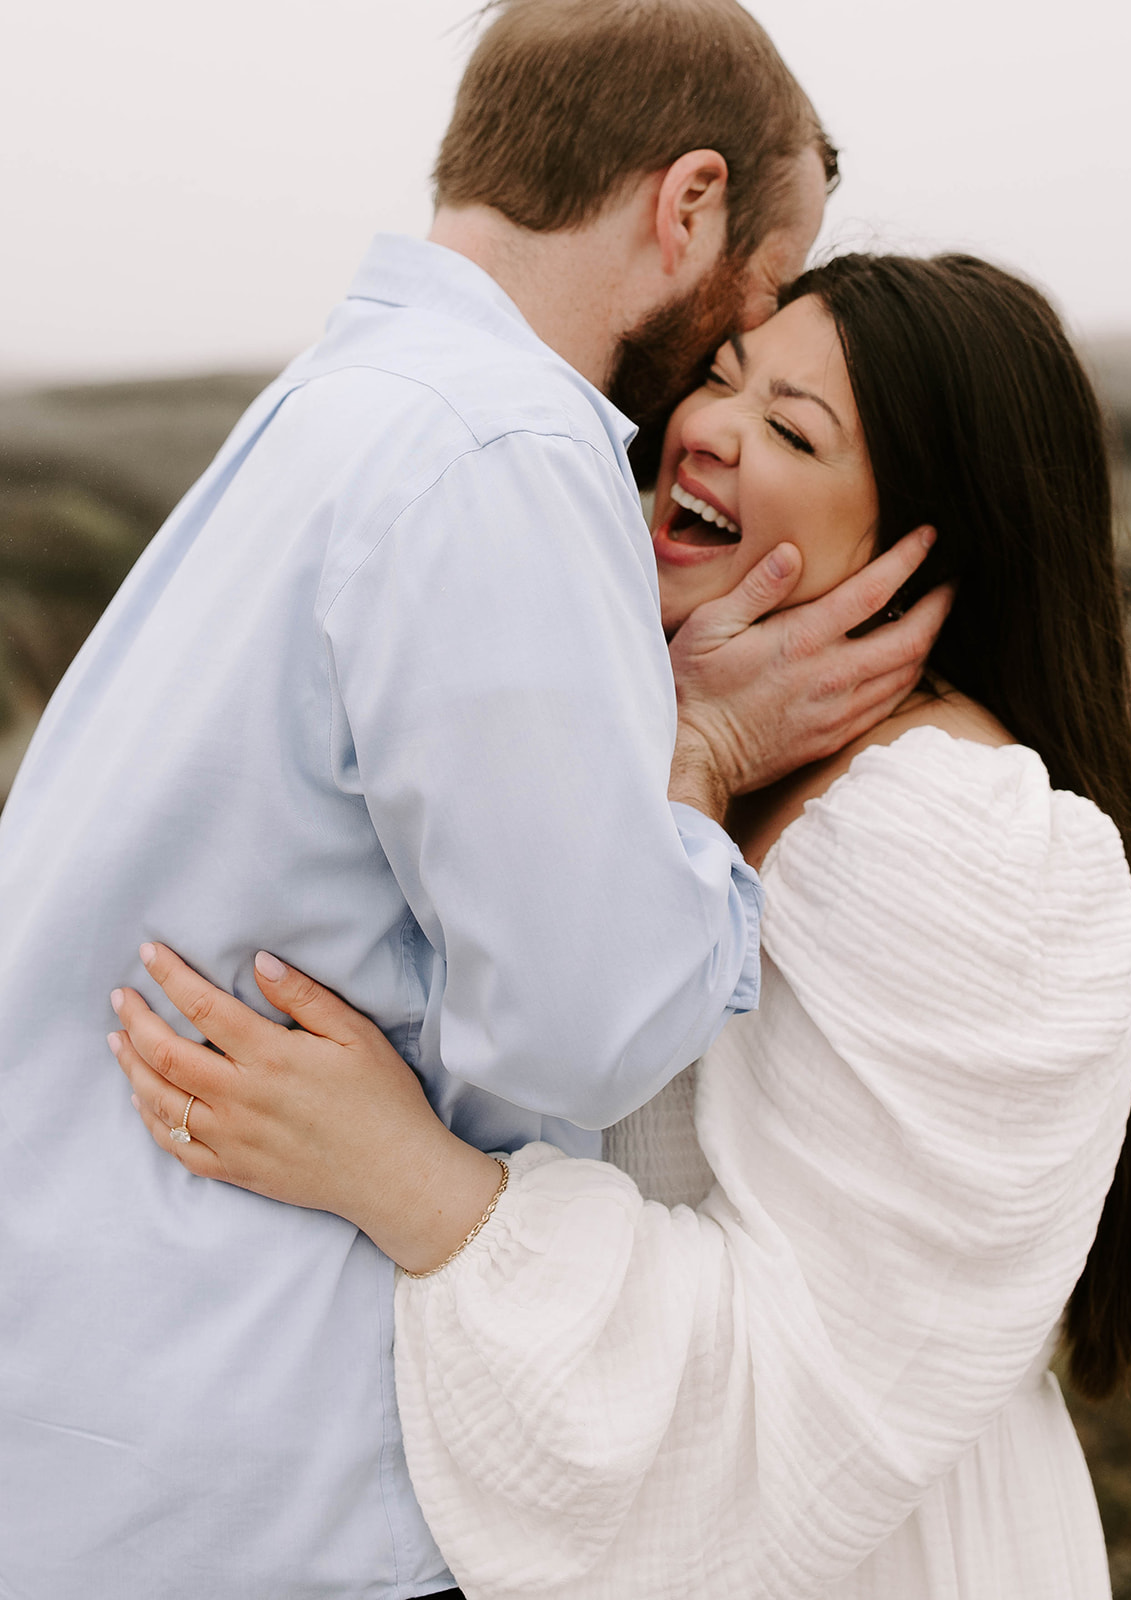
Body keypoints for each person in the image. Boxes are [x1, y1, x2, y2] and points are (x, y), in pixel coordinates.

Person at [0, 5, 946, 1597]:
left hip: (100, 1433)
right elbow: (581, 1023)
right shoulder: (500, 445)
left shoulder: (340, 407)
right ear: (690, 203)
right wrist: (704, 761)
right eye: (761, 302)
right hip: (259, 1481)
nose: (725, 375)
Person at [113, 253, 1131, 1600]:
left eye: (792, 432)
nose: (708, 431)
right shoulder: (703, 739)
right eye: (720, 381)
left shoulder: (955, 845)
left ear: (929, 543)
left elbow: (808, 1411)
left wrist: (402, 1175)